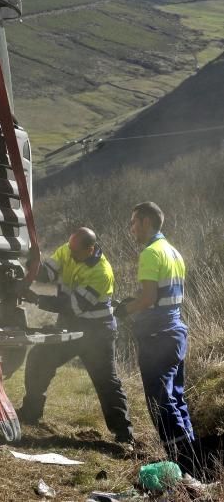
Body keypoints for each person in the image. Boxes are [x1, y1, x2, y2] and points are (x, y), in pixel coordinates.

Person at [19, 227, 134, 446]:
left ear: (90, 250)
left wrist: (36, 299)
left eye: (75, 251)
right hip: (70, 326)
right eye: (69, 248)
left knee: (106, 382)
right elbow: (46, 274)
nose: (70, 254)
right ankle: (30, 413)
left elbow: (72, 307)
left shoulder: (102, 272)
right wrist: (33, 263)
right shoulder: (68, 250)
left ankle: (124, 435)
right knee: (39, 359)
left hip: (97, 333)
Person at [115, 202, 196, 471]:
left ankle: (183, 465)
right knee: (176, 400)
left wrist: (124, 309)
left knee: (160, 404)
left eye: (134, 222)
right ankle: (194, 459)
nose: (131, 229)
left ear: (147, 221)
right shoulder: (173, 252)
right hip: (175, 333)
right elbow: (162, 298)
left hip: (157, 338)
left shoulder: (150, 253)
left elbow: (148, 298)